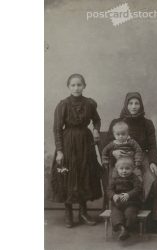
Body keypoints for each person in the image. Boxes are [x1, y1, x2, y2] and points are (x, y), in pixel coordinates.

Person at [105, 92, 157, 234]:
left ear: (141, 105)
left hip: (142, 159)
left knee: (156, 182)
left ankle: (156, 221)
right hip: (121, 161)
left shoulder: (147, 123)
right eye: (130, 103)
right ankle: (125, 220)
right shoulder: (116, 122)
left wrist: (153, 162)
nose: (133, 106)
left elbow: (152, 145)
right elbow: (108, 144)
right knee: (122, 179)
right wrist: (113, 153)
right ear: (125, 104)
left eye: (136, 103)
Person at [50, 73, 102, 228]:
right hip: (68, 143)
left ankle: (83, 212)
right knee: (67, 175)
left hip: (85, 142)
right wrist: (60, 151)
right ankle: (68, 213)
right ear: (68, 87)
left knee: (84, 174)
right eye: (73, 85)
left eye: (79, 84)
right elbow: (57, 129)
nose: (76, 88)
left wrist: (96, 130)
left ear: (84, 86)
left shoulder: (89, 103)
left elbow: (97, 120)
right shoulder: (63, 104)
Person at [107, 157, 142, 240]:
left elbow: (138, 189)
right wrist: (113, 195)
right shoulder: (114, 179)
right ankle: (122, 229)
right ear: (117, 169)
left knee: (130, 214)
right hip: (118, 204)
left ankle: (127, 229)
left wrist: (128, 194)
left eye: (127, 168)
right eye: (121, 168)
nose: (124, 171)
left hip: (131, 203)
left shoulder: (134, 178)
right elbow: (109, 189)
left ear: (132, 169)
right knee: (115, 214)